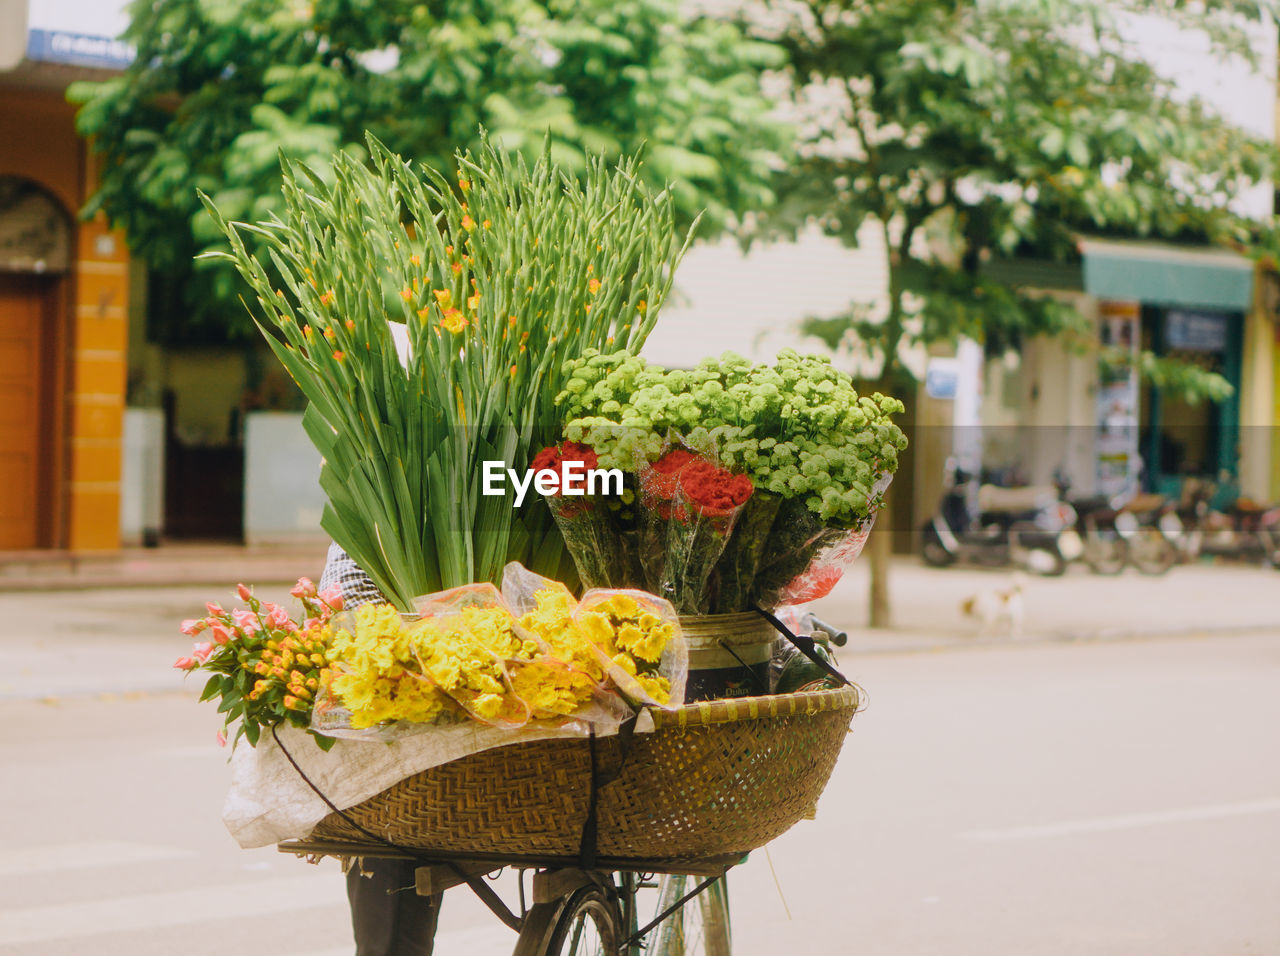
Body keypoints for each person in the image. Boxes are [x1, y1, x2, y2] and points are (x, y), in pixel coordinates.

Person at [319, 542, 443, 956]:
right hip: (382, 703)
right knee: (388, 845)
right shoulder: (362, 527)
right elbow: (347, 603)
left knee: (402, 853)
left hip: (415, 702)